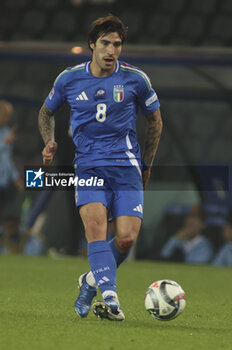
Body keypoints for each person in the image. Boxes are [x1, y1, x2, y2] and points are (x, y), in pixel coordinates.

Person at [38, 15, 162, 321]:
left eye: (117, 44)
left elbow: (155, 121)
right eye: (105, 43)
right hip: (88, 166)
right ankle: (111, 298)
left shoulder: (135, 79)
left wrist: (146, 165)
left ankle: (90, 280)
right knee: (95, 228)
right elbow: (45, 112)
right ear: (92, 44)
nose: (111, 50)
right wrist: (49, 140)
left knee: (127, 238)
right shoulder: (69, 78)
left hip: (126, 166)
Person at [0, 100, 24, 217]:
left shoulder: (6, 133)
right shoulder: (6, 136)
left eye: (9, 116)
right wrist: (5, 143)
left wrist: (15, 179)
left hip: (3, 182)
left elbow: (7, 160)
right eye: (5, 116)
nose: (8, 119)